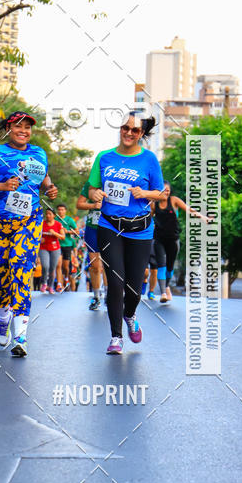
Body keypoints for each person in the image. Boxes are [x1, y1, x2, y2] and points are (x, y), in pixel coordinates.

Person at [0, 110, 57, 356]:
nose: (24, 131)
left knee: (21, 269)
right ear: (9, 128)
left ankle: (20, 336)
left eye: (28, 127)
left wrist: (50, 188)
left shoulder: (39, 153)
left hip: (30, 220)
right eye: (18, 126)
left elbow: (43, 177)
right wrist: (1, 186)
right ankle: (2, 315)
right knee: (1, 272)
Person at [88, 111, 164, 355]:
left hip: (140, 230)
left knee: (134, 287)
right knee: (116, 283)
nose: (129, 133)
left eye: (135, 130)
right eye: (125, 128)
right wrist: (96, 195)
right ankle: (116, 337)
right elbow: (91, 189)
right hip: (110, 227)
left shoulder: (149, 159)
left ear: (141, 134)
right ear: (120, 129)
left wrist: (145, 193)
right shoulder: (104, 157)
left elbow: (162, 193)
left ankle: (130, 315)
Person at [151, 181, 207, 302]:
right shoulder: (154, 204)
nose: (166, 192)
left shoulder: (174, 200)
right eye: (163, 190)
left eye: (168, 190)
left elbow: (188, 209)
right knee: (161, 265)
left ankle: (166, 287)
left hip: (173, 240)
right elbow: (148, 218)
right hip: (159, 239)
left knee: (170, 268)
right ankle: (163, 294)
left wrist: (202, 217)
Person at [76, 181, 107, 310]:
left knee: (108, 264)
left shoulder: (114, 181)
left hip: (110, 228)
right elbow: (79, 204)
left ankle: (108, 295)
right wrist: (94, 205)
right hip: (92, 228)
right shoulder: (90, 184)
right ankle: (96, 296)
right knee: (95, 265)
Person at [39, 207, 65, 293]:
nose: (48, 215)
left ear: (54, 215)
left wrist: (54, 233)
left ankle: (50, 286)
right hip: (43, 248)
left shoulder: (58, 224)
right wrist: (40, 239)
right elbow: (35, 235)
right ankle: (44, 283)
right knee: (45, 266)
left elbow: (63, 237)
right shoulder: (42, 223)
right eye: (46, 214)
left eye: (50, 214)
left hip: (55, 248)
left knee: (52, 268)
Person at [56, 204, 78, 291]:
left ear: (65, 211)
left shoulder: (69, 220)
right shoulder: (55, 219)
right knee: (58, 265)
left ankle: (66, 278)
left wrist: (68, 231)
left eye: (62, 210)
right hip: (57, 245)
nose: (60, 211)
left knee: (65, 267)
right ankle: (59, 284)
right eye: (59, 210)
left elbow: (77, 231)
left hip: (67, 245)